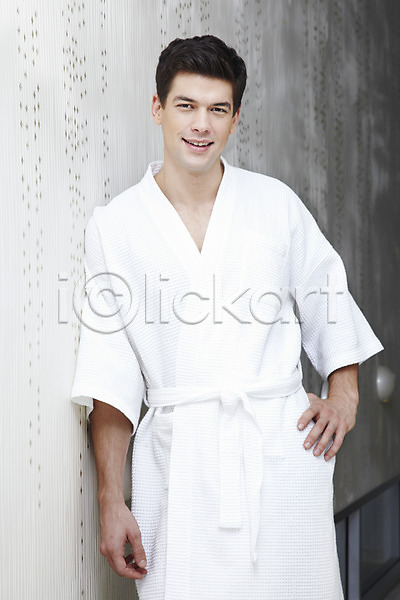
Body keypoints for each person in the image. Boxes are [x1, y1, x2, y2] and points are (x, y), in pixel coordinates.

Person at [71, 35, 383, 600]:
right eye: (186, 105)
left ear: (236, 119)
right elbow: (110, 378)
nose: (201, 125)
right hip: (178, 463)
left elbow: (329, 299)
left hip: (279, 454)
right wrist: (111, 499)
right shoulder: (115, 227)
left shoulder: (274, 204)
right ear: (157, 108)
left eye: (218, 109)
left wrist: (344, 396)